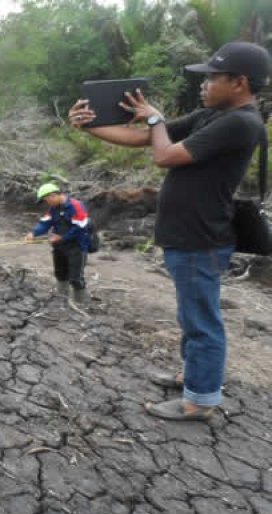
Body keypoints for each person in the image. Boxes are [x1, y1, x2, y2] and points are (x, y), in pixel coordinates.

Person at [69, 41, 271, 421]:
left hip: (201, 237)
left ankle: (201, 400)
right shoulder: (212, 115)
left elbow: (164, 155)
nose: (203, 85)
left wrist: (154, 119)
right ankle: (193, 378)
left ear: (240, 82)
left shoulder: (240, 123)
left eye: (212, 78)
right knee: (191, 316)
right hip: (189, 235)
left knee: (201, 321)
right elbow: (145, 138)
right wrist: (90, 126)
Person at [25, 182, 91, 304]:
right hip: (59, 247)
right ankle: (62, 300)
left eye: (46, 200)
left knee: (75, 278)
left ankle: (82, 303)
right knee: (60, 274)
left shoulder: (76, 206)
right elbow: (45, 222)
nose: (47, 203)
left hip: (77, 247)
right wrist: (34, 234)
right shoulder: (53, 209)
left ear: (53, 195)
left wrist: (62, 237)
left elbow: (81, 227)